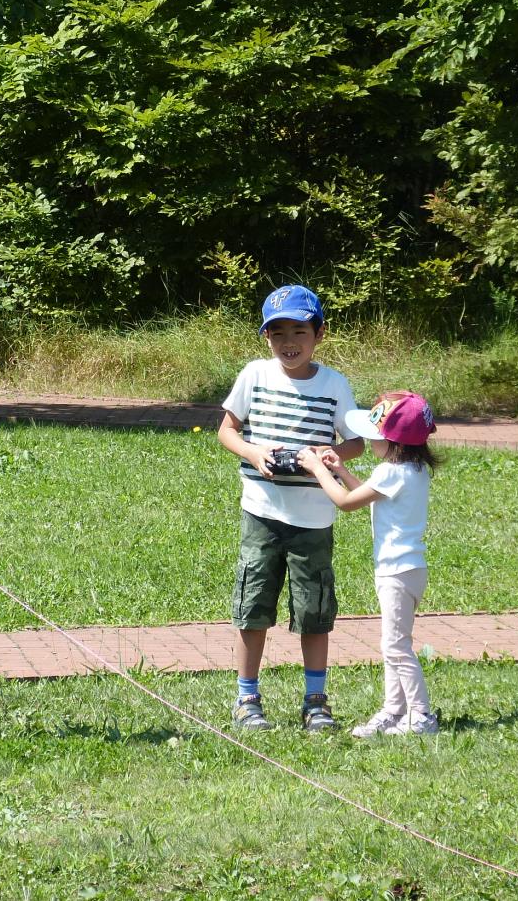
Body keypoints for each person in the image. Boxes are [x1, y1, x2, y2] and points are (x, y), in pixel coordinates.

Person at [217, 285, 363, 731]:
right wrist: (255, 453)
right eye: (277, 333)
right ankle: (247, 699)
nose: (288, 342)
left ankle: (315, 700)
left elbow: (356, 440)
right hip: (261, 512)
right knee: (252, 604)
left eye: (298, 330)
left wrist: (332, 453)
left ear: (319, 333)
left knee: (314, 611)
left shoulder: (334, 384)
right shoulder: (255, 375)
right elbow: (227, 430)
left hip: (314, 518)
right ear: (266, 338)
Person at [298, 391, 440, 737]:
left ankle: (421, 716)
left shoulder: (390, 472)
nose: (371, 443)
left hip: (396, 572)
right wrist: (340, 469)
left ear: (391, 442)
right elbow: (367, 494)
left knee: (395, 646)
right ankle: (394, 711)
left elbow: (347, 503)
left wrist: (318, 469)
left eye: (375, 437)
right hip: (408, 570)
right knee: (393, 643)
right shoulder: (413, 470)